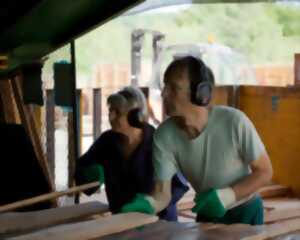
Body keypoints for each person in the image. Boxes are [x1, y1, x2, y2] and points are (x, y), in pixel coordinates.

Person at [121, 56, 273, 225]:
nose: (164, 94)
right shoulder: (164, 135)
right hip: (207, 212)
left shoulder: (234, 122)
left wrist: (227, 196)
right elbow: (162, 194)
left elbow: (264, 172)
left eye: (173, 87)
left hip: (246, 211)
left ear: (201, 93)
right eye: (165, 86)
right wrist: (150, 204)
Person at [75, 86, 188, 221]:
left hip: (159, 224)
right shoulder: (107, 142)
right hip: (122, 222)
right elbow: (81, 170)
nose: (111, 117)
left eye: (118, 112)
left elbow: (178, 185)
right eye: (110, 111)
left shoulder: (160, 142)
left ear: (136, 116)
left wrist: (152, 204)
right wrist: (87, 174)